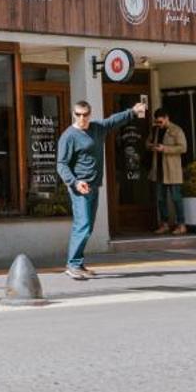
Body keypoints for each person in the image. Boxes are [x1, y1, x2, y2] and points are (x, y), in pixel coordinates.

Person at [56, 95, 149, 280]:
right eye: (78, 115)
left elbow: (113, 121)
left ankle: (78, 263)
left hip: (94, 186)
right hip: (79, 187)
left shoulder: (97, 128)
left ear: (90, 114)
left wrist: (132, 111)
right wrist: (74, 182)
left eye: (85, 114)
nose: (82, 118)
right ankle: (73, 264)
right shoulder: (68, 136)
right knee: (82, 225)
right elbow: (61, 164)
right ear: (73, 114)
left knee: (87, 226)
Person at [147, 107, 188, 234]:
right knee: (160, 199)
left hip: (172, 170)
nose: (158, 124)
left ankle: (181, 225)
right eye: (157, 122)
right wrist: (152, 146)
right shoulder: (155, 130)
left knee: (176, 198)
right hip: (158, 170)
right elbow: (147, 143)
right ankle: (164, 224)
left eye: (160, 122)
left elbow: (183, 148)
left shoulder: (176, 130)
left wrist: (165, 148)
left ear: (166, 118)